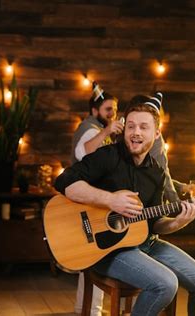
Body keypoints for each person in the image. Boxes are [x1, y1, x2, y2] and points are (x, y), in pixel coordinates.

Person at [55, 99, 195, 315]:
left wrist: (179, 221)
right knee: (166, 284)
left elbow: (156, 224)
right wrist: (110, 200)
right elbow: (64, 181)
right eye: (130, 126)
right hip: (107, 249)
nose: (135, 132)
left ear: (157, 134)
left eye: (143, 127)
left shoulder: (158, 173)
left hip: (147, 244)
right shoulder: (108, 156)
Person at [72, 83, 123, 316]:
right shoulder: (91, 129)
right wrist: (107, 131)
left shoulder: (99, 129)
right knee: (99, 254)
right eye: (108, 110)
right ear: (95, 111)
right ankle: (92, 311)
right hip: (91, 202)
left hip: (96, 201)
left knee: (91, 259)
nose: (113, 114)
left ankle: (86, 310)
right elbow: (83, 153)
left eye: (114, 109)